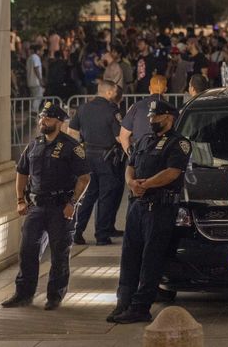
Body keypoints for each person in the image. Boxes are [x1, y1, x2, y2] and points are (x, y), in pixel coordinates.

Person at [109, 99, 192, 324]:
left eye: (156, 117)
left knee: (150, 259)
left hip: (160, 207)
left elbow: (173, 172)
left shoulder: (179, 143)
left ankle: (141, 307)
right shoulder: (144, 140)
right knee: (129, 256)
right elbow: (131, 165)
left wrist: (144, 185)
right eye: (150, 117)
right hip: (137, 206)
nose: (151, 120)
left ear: (169, 118)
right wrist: (132, 183)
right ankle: (123, 302)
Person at [2, 101, 91, 310]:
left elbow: (84, 178)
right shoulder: (34, 144)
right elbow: (22, 172)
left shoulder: (71, 146)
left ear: (59, 122)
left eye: (48, 118)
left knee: (59, 253)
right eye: (41, 118)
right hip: (36, 207)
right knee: (27, 251)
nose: (43, 121)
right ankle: (23, 294)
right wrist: (20, 200)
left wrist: (72, 203)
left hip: (61, 208)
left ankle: (55, 296)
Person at [70, 81, 124, 246]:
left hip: (87, 157)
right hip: (107, 158)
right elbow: (119, 138)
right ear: (108, 93)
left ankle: (77, 232)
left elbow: (72, 133)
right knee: (106, 197)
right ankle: (102, 235)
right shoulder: (112, 110)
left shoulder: (83, 108)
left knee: (88, 196)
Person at [119, 74, 169, 155]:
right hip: (163, 159)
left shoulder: (136, 107)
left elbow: (123, 136)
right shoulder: (171, 109)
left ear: (149, 88)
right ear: (166, 89)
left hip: (140, 157)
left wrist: (131, 157)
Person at [27, 43, 45, 113]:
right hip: (36, 82)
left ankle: (32, 113)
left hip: (30, 82)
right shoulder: (36, 57)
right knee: (38, 97)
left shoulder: (30, 58)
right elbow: (36, 68)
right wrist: (40, 80)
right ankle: (34, 112)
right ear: (38, 51)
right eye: (42, 51)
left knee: (34, 98)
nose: (43, 52)